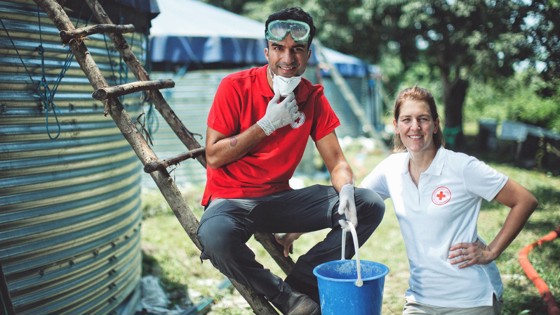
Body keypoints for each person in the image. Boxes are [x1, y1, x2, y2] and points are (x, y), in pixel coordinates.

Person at [196, 7, 385, 315]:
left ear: (308, 54)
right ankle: (287, 298)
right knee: (215, 238)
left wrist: (347, 189)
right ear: (266, 51)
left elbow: (336, 161)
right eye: (279, 49)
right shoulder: (235, 86)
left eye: (297, 49)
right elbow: (214, 156)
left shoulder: (312, 97)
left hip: (280, 200)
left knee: (370, 204)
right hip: (231, 200)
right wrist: (266, 125)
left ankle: (303, 280)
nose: (287, 58)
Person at [360, 86, 538, 314]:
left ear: (435, 125)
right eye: (406, 119)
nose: (415, 127)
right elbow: (354, 202)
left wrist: (492, 251)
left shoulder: (462, 167)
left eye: (423, 119)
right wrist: (300, 227)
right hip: (420, 298)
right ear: (396, 126)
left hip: (470, 299)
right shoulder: (391, 169)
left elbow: (524, 200)